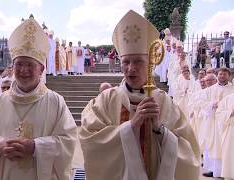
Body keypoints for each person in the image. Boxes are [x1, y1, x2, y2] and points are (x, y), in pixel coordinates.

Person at [79, 10, 200, 180]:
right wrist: (130, 127)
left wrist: (160, 130)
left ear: (150, 63)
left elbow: (190, 151)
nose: (131, 68)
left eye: (138, 61)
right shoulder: (106, 100)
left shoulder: (164, 102)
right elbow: (89, 140)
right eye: (126, 61)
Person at [0, 16, 77, 180]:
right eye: (19, 64)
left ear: (41, 69)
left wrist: (36, 147)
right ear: (12, 68)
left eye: (30, 65)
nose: (24, 70)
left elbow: (68, 141)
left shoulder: (56, 102)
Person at [200, 67, 234, 178]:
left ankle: (226, 170)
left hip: (227, 124)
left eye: (224, 74)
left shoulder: (232, 90)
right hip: (213, 121)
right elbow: (202, 103)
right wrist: (212, 104)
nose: (222, 76)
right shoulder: (210, 90)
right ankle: (213, 170)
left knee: (225, 147)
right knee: (213, 145)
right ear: (217, 75)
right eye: (220, 74)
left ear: (229, 76)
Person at [215, 92, 234, 179]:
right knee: (230, 153)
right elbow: (219, 113)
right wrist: (231, 113)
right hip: (231, 130)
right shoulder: (228, 98)